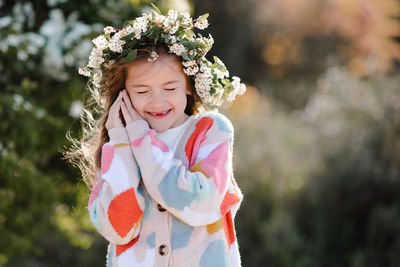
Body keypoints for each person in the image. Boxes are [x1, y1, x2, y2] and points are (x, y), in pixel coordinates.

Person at [72, 5, 246, 267]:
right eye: (141, 91)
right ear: (124, 94)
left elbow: (201, 204)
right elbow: (118, 229)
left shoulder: (211, 131)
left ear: (188, 85)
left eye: (169, 87)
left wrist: (142, 142)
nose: (157, 101)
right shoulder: (117, 145)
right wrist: (121, 141)